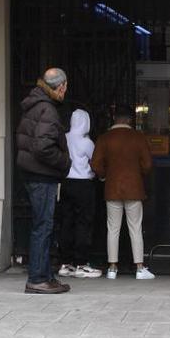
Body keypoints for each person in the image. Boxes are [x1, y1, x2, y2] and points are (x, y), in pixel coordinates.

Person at [16, 68, 72, 294]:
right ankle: (38, 278)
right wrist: (64, 162)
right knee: (43, 227)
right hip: (42, 176)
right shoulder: (47, 110)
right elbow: (42, 146)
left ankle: (46, 275)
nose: (66, 91)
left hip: (33, 174)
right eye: (65, 87)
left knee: (42, 226)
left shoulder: (35, 105)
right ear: (60, 87)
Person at [91, 104, 155, 280]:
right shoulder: (138, 138)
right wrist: (138, 173)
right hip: (134, 188)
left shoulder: (105, 138)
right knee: (135, 228)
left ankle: (112, 268)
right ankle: (140, 268)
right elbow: (148, 165)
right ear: (130, 119)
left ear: (114, 118)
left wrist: (105, 176)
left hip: (112, 188)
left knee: (113, 228)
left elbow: (95, 164)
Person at [57, 109, 102, 279]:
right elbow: (95, 161)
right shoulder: (86, 142)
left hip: (66, 183)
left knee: (66, 222)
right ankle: (81, 263)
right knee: (84, 223)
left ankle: (64, 263)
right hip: (84, 184)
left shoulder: (64, 138)